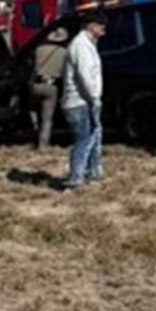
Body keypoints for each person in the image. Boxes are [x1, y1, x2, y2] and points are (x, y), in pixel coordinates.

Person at [61, 11, 107, 189]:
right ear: (91, 25)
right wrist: (94, 98)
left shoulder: (86, 44)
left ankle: (91, 172)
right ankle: (76, 178)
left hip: (83, 100)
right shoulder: (81, 46)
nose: (104, 29)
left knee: (92, 137)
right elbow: (85, 75)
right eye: (101, 26)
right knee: (84, 139)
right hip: (79, 101)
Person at [31, 28, 68, 150]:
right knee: (47, 118)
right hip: (51, 86)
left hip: (36, 85)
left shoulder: (39, 49)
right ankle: (43, 144)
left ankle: (35, 132)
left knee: (36, 111)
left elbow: (34, 68)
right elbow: (64, 73)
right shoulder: (64, 52)